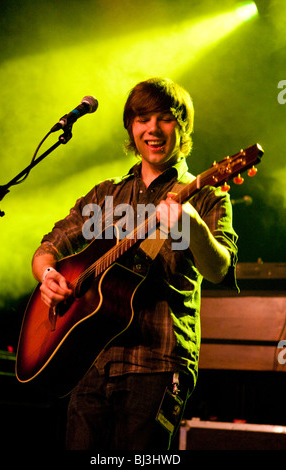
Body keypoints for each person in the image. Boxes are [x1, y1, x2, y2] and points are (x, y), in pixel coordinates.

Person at [31, 77, 238, 450]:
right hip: (90, 360)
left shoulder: (208, 195)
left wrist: (191, 227)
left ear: (183, 126)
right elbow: (48, 248)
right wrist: (48, 275)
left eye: (165, 118)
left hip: (156, 361)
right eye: (142, 118)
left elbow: (219, 270)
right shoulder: (105, 193)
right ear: (131, 127)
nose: (153, 129)